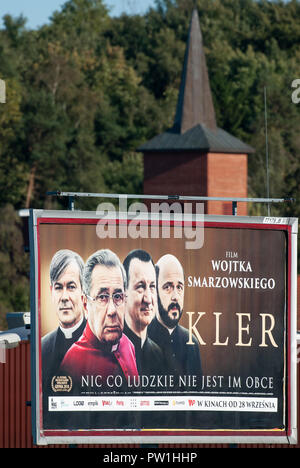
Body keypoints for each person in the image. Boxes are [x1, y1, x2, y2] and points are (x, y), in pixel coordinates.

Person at [60, 249, 138, 393]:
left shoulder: (128, 346)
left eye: (118, 296)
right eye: (102, 297)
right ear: (85, 304)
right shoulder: (72, 364)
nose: (112, 310)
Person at [42, 249, 87, 428]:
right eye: (59, 288)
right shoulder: (42, 348)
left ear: (84, 292)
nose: (64, 297)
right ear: (52, 292)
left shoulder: (106, 345)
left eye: (71, 286)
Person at [148, 254, 202, 386]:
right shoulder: (142, 339)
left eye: (179, 287)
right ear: (154, 291)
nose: (175, 296)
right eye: (167, 287)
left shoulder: (192, 343)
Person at [123, 249, 164, 377]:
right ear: (124, 293)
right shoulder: (108, 352)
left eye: (152, 287)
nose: (148, 299)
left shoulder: (158, 355)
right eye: (140, 286)